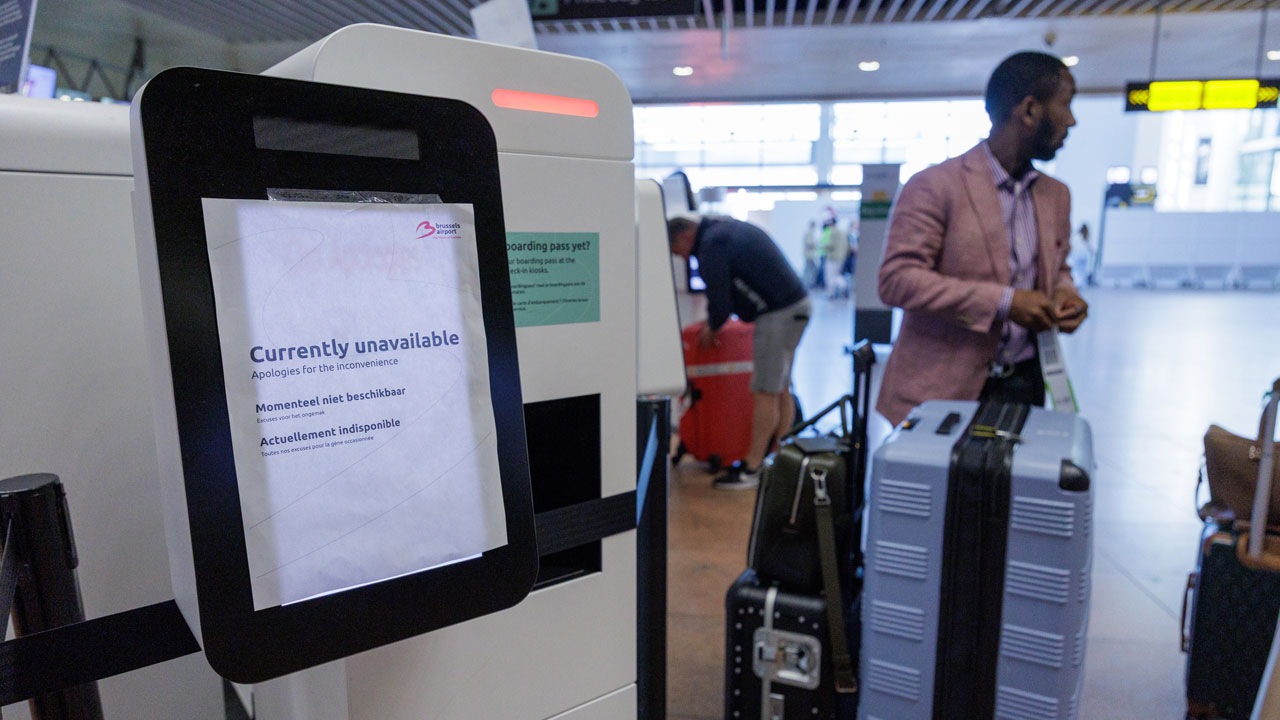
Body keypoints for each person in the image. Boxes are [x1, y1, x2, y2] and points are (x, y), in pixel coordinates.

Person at [876, 51, 1089, 427]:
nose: (1071, 121)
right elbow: (897, 281)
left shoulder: (1056, 196)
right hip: (940, 392)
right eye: (1065, 105)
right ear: (1028, 111)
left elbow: (1058, 269)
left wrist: (1065, 295)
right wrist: (1005, 303)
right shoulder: (936, 186)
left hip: (1025, 387)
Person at [669, 214, 811, 489]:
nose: (684, 259)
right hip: (797, 305)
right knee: (781, 388)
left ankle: (753, 468)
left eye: (678, 252)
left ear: (685, 236)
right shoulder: (723, 229)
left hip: (778, 313)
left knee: (765, 390)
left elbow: (719, 302)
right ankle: (779, 459)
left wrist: (712, 326)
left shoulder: (711, 245)